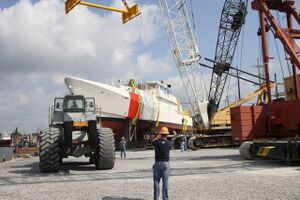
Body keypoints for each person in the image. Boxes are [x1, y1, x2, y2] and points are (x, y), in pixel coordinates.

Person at [152, 127, 172, 200]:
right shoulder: (169, 143)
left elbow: (152, 142)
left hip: (157, 163)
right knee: (165, 181)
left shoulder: (156, 143)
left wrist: (158, 137)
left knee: (156, 181)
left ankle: (156, 197)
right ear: (167, 135)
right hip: (166, 164)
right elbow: (169, 147)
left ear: (160, 134)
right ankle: (165, 198)